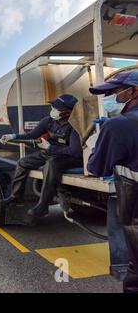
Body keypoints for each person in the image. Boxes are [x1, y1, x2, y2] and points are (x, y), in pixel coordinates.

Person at [87, 71, 138, 294]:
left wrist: (98, 139)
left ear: (133, 91)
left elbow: (96, 167)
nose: (109, 98)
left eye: (114, 92)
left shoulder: (117, 126)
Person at [1, 94, 83, 218]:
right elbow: (32, 135)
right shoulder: (48, 121)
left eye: (57, 108)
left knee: (51, 164)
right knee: (23, 162)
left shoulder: (75, 125)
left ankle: (43, 206)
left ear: (68, 111)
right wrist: (14, 137)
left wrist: (50, 148)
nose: (53, 109)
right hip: (51, 152)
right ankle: (15, 195)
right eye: (53, 106)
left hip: (68, 157)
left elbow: (75, 151)